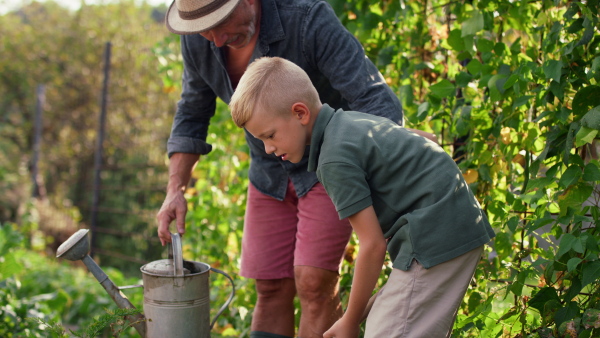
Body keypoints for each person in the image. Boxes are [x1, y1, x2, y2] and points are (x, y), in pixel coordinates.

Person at [158, 0, 435, 336]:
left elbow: (374, 98)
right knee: (270, 286)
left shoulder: (307, 19)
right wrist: (175, 189)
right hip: (268, 171)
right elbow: (191, 113)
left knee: (314, 282)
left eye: (221, 23)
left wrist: (392, 162)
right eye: (204, 30)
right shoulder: (198, 38)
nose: (214, 40)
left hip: (329, 164)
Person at [229, 56, 496, 338]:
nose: (268, 148)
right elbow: (427, 139)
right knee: (388, 320)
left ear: (300, 113)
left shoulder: (333, 160)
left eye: (270, 135)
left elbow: (372, 246)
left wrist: (350, 320)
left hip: (434, 237)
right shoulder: (350, 123)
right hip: (448, 225)